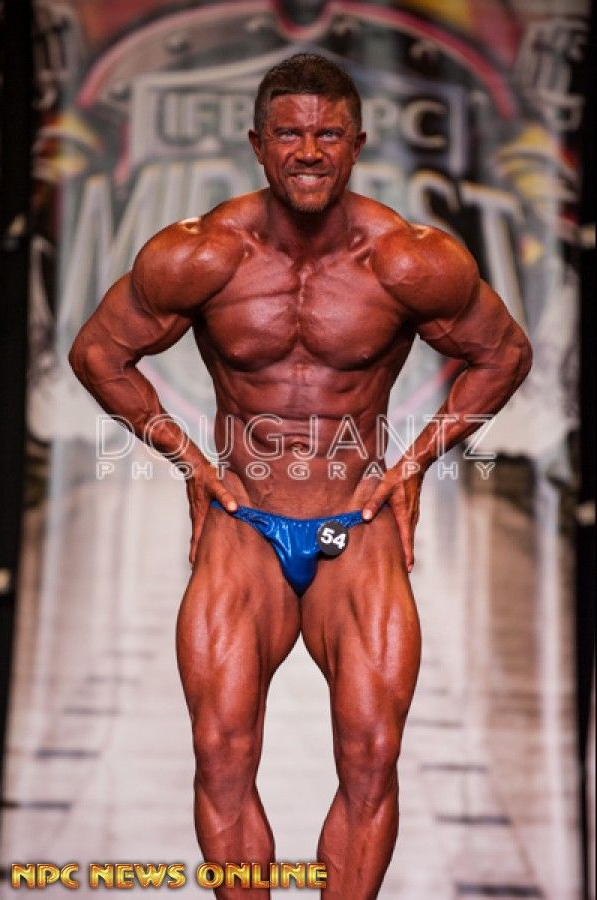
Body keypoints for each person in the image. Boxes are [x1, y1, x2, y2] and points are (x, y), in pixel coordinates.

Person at [69, 53, 532, 899]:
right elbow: (99, 353)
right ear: (258, 144)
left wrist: (413, 466)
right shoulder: (202, 254)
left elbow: (503, 355)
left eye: (328, 134)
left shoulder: (408, 260)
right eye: (289, 134)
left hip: (355, 528)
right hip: (245, 525)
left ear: (358, 143)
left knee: (372, 757)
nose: (309, 151)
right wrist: (191, 463)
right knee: (221, 754)